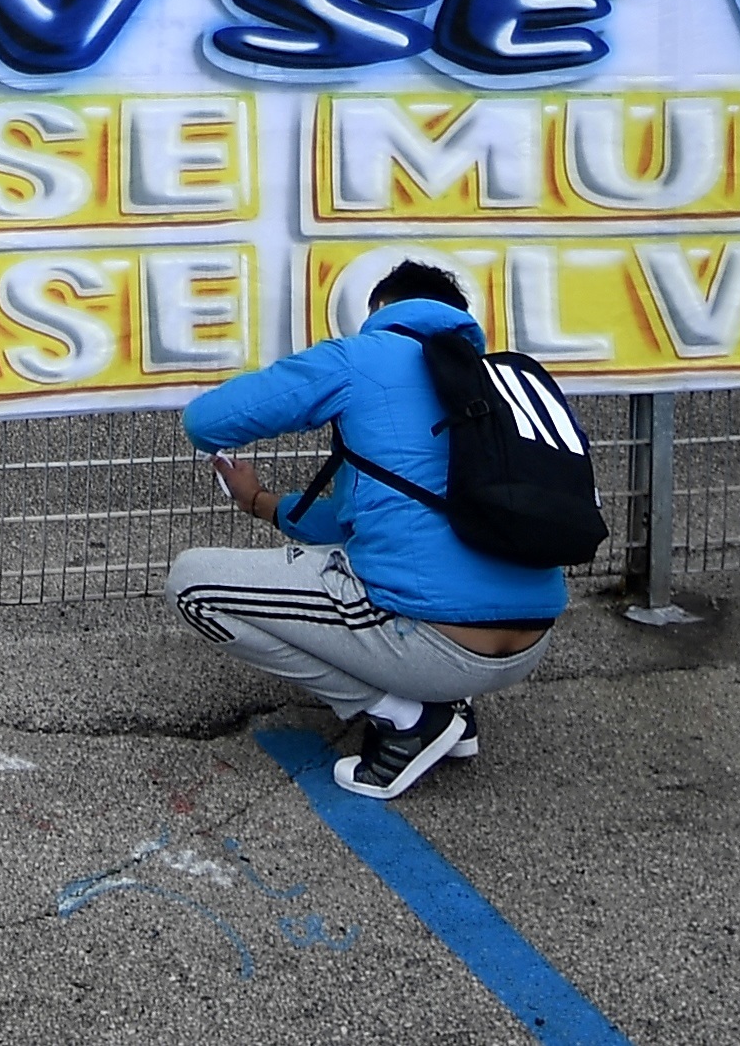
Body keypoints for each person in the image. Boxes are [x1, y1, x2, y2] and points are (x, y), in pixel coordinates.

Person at [164, 260, 565, 800]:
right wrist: (261, 503)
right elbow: (369, 518)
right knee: (411, 556)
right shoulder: (499, 383)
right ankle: (451, 711)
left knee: (192, 584)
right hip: (529, 643)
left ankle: (406, 718)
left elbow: (206, 421)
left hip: (432, 641)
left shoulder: (361, 358)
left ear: (381, 309)